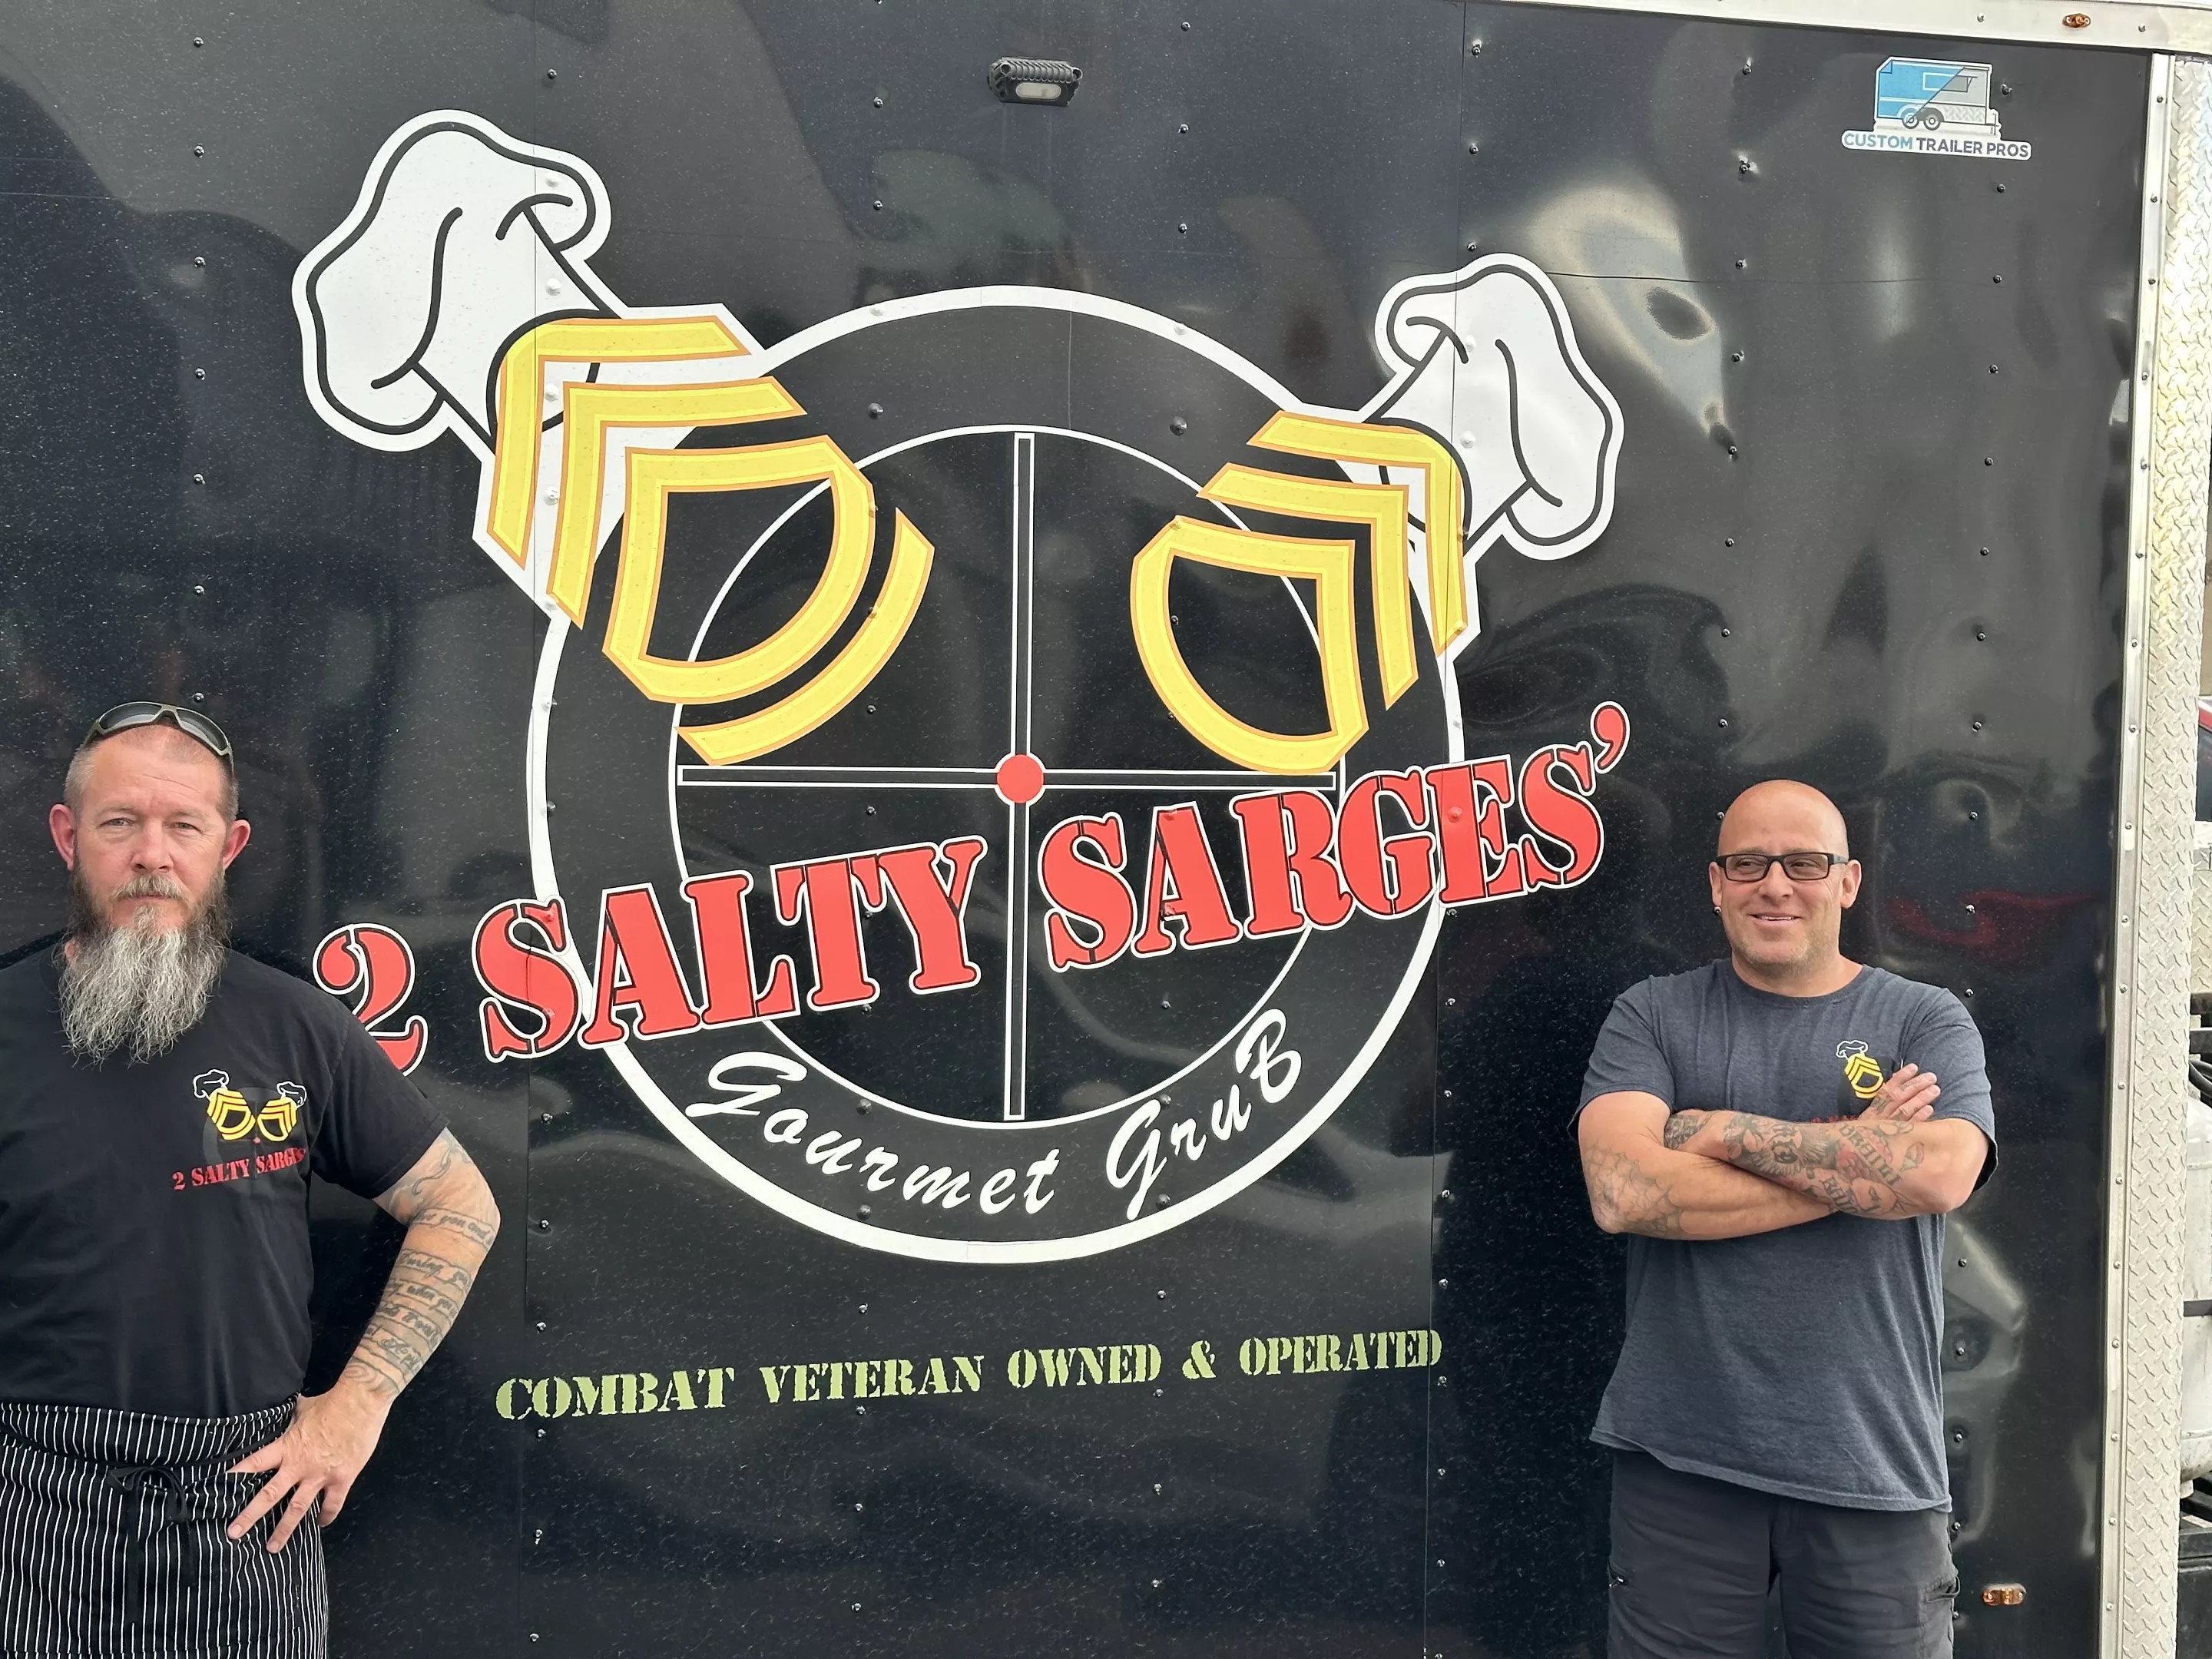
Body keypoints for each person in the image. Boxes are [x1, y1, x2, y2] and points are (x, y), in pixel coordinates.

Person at [0, 701, 501, 1657]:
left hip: (248, 1507)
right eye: (120, 823)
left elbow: (456, 1204)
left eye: (183, 825)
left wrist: (356, 1408)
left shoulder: (298, 1027)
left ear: (228, 846)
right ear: (69, 837)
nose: (153, 855)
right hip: (30, 1510)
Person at [1575, 779, 1995, 1658]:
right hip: (1681, 1467)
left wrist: (1721, 1132)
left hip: (1873, 1469)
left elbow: (1944, 1172)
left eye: (1804, 863)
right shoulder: (1652, 1015)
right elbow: (1623, 1191)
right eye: (1749, 862)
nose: (1776, 884)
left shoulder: (1925, 1018)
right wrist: (1858, 1159)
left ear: (1847, 882)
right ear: (1716, 882)